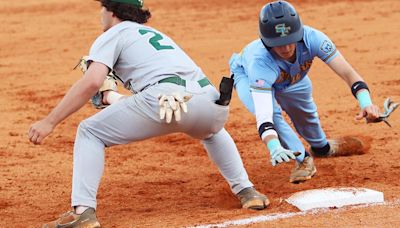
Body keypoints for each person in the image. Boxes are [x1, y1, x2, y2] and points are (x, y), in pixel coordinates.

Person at [28, 0, 269, 227]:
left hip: (163, 99)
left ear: (112, 11)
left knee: (90, 132)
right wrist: (109, 96)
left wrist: (50, 121)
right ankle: (247, 191)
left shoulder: (113, 33)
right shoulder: (155, 35)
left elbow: (93, 81)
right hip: (210, 102)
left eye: (103, 7)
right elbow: (163, 102)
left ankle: (82, 213)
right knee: (212, 131)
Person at [229, 0, 382, 184]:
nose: (285, 48)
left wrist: (366, 103)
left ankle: (322, 148)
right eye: (278, 44)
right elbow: (265, 115)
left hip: (292, 79)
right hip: (247, 77)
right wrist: (274, 145)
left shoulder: (314, 39)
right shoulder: (259, 62)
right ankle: (303, 159)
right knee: (274, 115)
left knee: (306, 114)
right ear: (266, 41)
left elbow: (348, 74)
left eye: (290, 41)